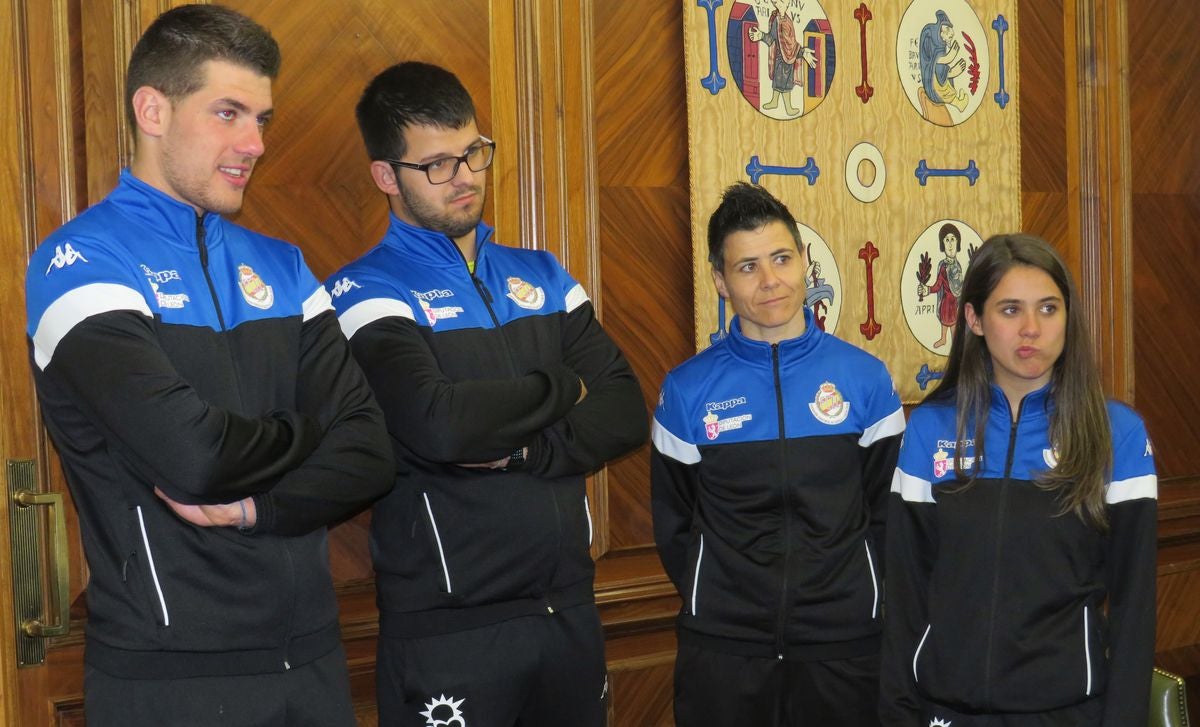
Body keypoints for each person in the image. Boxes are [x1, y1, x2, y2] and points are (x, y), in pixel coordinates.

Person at [24, 5, 394, 725]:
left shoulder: (282, 265)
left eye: (262, 119)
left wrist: (262, 505)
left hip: (313, 661)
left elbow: (373, 451)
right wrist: (309, 431)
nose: (254, 143)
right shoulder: (81, 263)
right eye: (229, 113)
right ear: (152, 109)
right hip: (170, 677)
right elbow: (193, 456)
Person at [325, 61, 647, 727]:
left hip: (569, 613)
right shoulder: (364, 292)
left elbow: (622, 411)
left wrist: (520, 451)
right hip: (450, 631)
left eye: (473, 151)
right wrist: (563, 386)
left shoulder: (545, 275)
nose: (467, 175)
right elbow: (439, 424)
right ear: (387, 175)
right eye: (437, 164)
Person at [651, 182, 905, 726]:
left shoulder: (866, 381)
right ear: (721, 281)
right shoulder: (687, 391)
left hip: (845, 645)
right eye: (747, 267)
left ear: (805, 262)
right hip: (725, 652)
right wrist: (722, 598)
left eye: (781, 258)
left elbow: (888, 516)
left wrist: (856, 599)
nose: (770, 282)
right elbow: (675, 524)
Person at [880, 233, 1158, 726]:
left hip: (1068, 712)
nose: (1031, 329)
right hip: (947, 711)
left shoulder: (1117, 434)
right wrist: (900, 713)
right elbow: (905, 594)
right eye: (1010, 310)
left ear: (1068, 317)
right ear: (973, 319)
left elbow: (1135, 609)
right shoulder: (930, 430)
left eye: (1048, 309)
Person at [918, 222, 965, 348]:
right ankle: (943, 338)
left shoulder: (958, 266)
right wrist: (927, 289)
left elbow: (959, 287)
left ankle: (955, 343)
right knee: (945, 320)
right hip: (945, 302)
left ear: (958, 243)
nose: (950, 244)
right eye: (947, 240)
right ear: (942, 244)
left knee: (954, 322)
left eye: (953, 239)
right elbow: (938, 285)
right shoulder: (942, 266)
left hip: (955, 302)